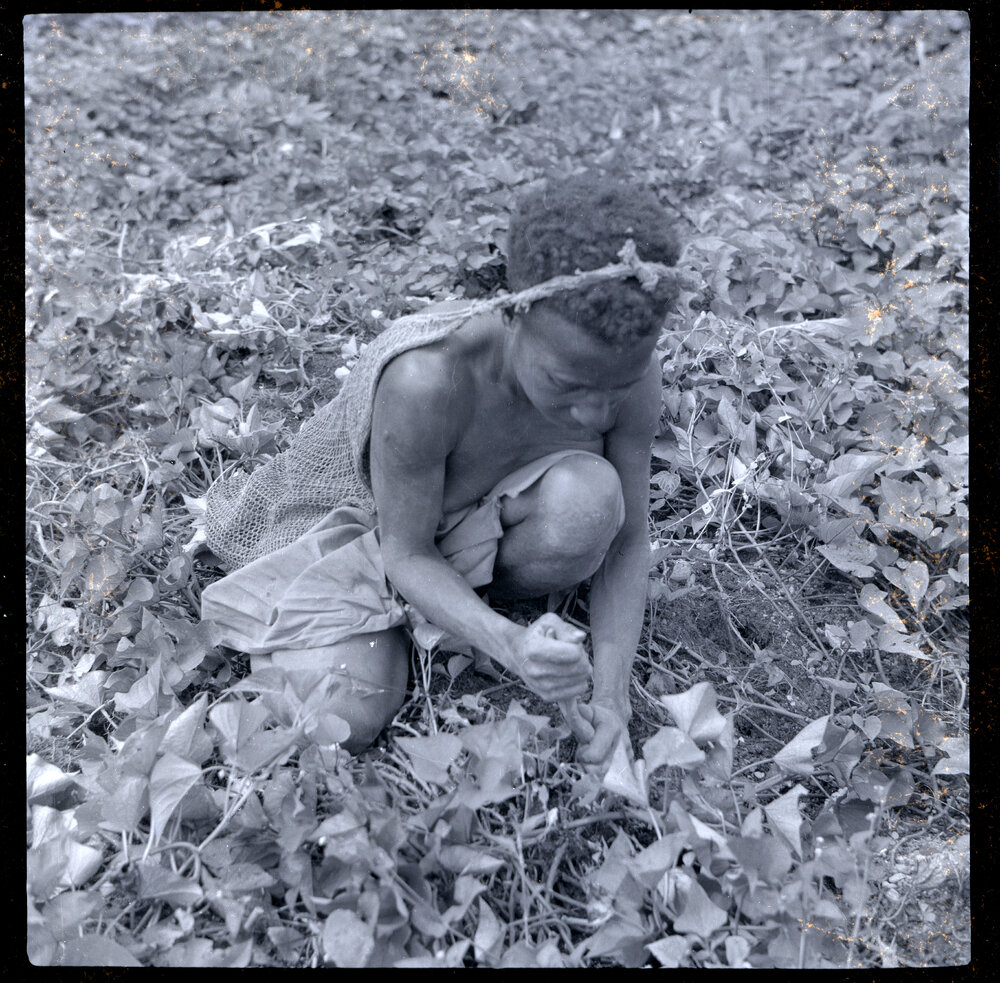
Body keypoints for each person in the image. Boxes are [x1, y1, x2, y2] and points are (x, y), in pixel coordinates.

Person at [200, 171, 680, 767]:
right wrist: (510, 643)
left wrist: (612, 696)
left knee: (591, 502)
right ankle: (400, 627)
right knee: (342, 718)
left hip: (463, 534)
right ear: (511, 315)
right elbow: (404, 550)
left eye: (619, 387)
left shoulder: (624, 373)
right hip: (371, 532)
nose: (596, 410)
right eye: (567, 384)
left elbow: (628, 539)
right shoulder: (429, 379)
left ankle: (453, 610)